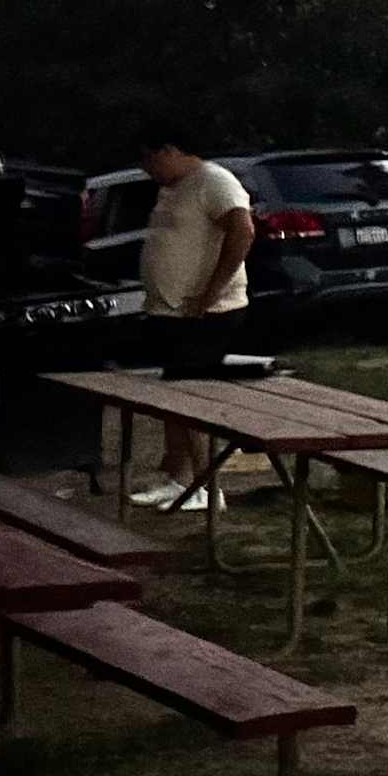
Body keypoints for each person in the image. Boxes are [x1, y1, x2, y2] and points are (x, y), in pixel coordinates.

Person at [131, 130, 256, 513]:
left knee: (191, 399)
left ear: (169, 149)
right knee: (172, 396)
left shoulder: (214, 181)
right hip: (169, 311)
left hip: (207, 313)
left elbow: (243, 229)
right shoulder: (173, 188)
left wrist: (211, 292)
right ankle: (179, 479)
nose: (147, 169)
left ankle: (207, 486)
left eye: (150, 160)